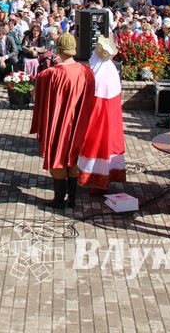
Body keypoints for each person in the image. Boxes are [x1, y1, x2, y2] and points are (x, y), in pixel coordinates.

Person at [29, 33, 95, 209]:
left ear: (58, 49)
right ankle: (72, 198)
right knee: (73, 157)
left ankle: (59, 200)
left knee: (57, 158)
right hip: (79, 124)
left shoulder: (50, 74)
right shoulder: (86, 71)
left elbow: (37, 98)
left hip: (58, 123)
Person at [77, 36, 125, 194]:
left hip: (97, 122)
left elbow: (93, 104)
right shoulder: (112, 73)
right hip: (111, 122)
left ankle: (97, 182)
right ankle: (104, 180)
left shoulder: (97, 77)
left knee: (97, 148)